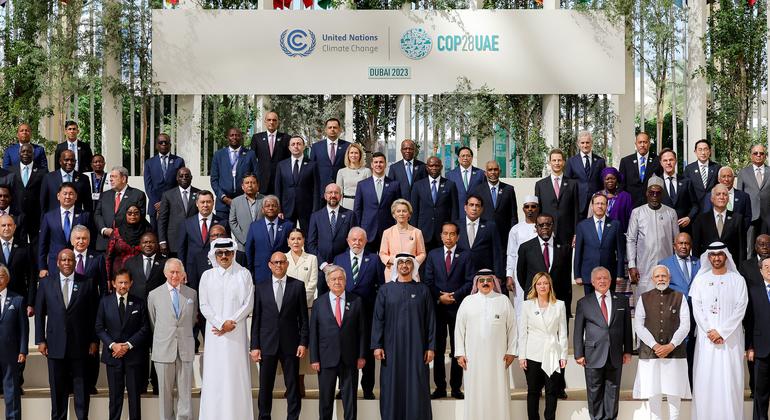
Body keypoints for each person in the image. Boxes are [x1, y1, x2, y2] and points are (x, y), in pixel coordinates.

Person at [35, 249, 99, 420]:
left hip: (80, 344)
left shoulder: (87, 283)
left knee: (81, 388)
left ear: (74, 262)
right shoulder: (46, 283)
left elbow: (93, 314)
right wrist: (40, 340)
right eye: (63, 260)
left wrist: (94, 340)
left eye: (70, 260)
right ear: (57, 262)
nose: (67, 263)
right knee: (57, 388)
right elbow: (40, 314)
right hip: (55, 344)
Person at [371, 253, 435, 420]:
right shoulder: (385, 290)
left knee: (417, 386)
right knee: (391, 386)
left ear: (413, 266)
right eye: (401, 263)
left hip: (417, 348)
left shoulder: (423, 290)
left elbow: (430, 321)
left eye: (408, 263)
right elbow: (378, 319)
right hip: (392, 349)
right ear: (396, 266)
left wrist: (431, 347)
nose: (404, 266)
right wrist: (377, 345)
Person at [689, 242, 748, 420]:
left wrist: (722, 332)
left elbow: (741, 308)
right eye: (713, 254)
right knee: (706, 380)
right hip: (707, 342)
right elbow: (697, 309)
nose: (716, 258)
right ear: (708, 257)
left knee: (730, 382)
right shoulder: (700, 280)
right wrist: (710, 331)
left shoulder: (738, 280)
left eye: (720, 254)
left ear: (726, 256)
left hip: (730, 341)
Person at [198, 239, 255, 420]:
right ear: (214, 255)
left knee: (235, 375)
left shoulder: (244, 274)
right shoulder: (207, 276)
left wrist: (231, 322)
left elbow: (248, 303)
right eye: (220, 253)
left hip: (236, 332)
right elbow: (204, 304)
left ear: (233, 254)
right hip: (215, 333)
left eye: (227, 253)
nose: (224, 256)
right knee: (215, 375)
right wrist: (220, 323)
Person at [250, 252, 309, 420]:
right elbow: (257, 319)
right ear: (269, 264)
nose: (278, 265)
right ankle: (264, 416)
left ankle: (293, 417)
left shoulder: (297, 286)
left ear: (287, 264)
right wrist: (254, 346)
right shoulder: (260, 287)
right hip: (267, 344)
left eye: (282, 262)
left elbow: (303, 318)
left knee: (292, 386)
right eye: (275, 262)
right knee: (265, 386)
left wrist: (303, 342)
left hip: (291, 344)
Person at [454, 269, 516, 420]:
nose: (485, 283)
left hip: (498, 358)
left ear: (494, 281)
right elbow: (459, 329)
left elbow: (513, 328)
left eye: (488, 280)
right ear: (477, 283)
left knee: (498, 391)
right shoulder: (468, 301)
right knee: (475, 392)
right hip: (472, 359)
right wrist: (460, 353)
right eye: (482, 281)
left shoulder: (503, 301)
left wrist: (511, 351)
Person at [632, 265, 691, 420]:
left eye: (663, 276)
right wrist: (655, 345)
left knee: (674, 393)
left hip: (675, 353)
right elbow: (639, 325)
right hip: (650, 353)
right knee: (654, 393)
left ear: (669, 278)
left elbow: (685, 325)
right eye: (657, 276)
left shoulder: (680, 297)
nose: (660, 279)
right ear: (652, 279)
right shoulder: (644, 298)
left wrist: (671, 345)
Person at [573, 266, 633, 420]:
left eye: (605, 278)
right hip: (593, 354)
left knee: (613, 391)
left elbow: (627, 327)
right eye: (598, 278)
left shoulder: (622, 300)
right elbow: (578, 331)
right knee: (594, 392)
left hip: (615, 353)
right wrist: (578, 353)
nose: (602, 281)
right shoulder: (584, 303)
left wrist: (628, 351)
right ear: (592, 282)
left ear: (610, 280)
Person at [423, 221, 473, 400]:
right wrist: (439, 297)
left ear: (458, 236)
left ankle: (456, 387)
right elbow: (427, 281)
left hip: (458, 308)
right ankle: (440, 386)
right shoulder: (433, 255)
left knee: (458, 348)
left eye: (452, 234)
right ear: (441, 235)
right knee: (437, 348)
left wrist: (454, 295)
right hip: (437, 309)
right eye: (445, 233)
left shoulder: (466, 255)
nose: (449, 237)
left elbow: (469, 281)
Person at [332, 227, 384, 399]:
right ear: (348, 240)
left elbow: (380, 287)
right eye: (353, 239)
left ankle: (368, 388)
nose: (357, 242)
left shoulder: (374, 259)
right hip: (345, 314)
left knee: (367, 351)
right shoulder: (338, 259)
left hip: (368, 314)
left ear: (366, 241)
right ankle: (344, 387)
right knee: (344, 350)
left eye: (360, 239)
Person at [309, 265, 366, 420]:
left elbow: (362, 331)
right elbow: (313, 333)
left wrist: (361, 355)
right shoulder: (318, 303)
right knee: (326, 400)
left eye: (340, 279)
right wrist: (314, 358)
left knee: (350, 400)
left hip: (350, 358)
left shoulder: (356, 301)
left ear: (345, 281)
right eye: (333, 279)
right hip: (326, 358)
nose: (337, 282)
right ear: (328, 283)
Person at [95, 269, 151, 420]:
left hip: (133, 357)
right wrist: (113, 345)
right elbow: (99, 328)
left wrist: (127, 345)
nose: (123, 285)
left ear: (131, 283)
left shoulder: (139, 302)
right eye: (120, 282)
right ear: (113, 283)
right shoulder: (104, 302)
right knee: (115, 397)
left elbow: (145, 328)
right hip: (113, 357)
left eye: (126, 282)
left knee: (134, 396)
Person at [148, 259, 197, 420]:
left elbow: (192, 320)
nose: (175, 275)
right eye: (172, 272)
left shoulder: (191, 294)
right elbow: (153, 321)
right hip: (163, 350)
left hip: (185, 348)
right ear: (165, 273)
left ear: (183, 274)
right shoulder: (154, 295)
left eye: (178, 272)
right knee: (165, 393)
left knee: (185, 393)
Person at [517, 272, 568, 420]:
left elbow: (563, 333)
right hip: (533, 354)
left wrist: (563, 355)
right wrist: (522, 356)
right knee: (533, 391)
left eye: (545, 283)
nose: (542, 286)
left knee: (552, 391)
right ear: (535, 286)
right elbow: (523, 333)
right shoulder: (527, 305)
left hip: (553, 353)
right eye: (539, 283)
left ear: (550, 285)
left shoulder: (559, 305)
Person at [122, 231, 165, 394]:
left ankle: (156, 384)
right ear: (140, 245)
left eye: (152, 242)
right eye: (145, 242)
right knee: (138, 350)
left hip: (158, 314)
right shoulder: (130, 263)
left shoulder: (164, 262)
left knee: (157, 349)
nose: (148, 245)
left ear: (156, 244)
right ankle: (139, 385)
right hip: (136, 313)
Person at [627, 175, 679, 301]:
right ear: (647, 193)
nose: (654, 195)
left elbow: (676, 240)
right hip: (644, 266)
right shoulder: (637, 212)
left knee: (666, 301)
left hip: (666, 265)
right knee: (644, 302)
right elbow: (631, 239)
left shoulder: (670, 212)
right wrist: (632, 265)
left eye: (658, 193)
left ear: (662, 194)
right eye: (652, 192)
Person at [658, 232, 700, 385]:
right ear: (674, 245)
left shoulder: (699, 263)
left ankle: (691, 384)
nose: (684, 246)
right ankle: (674, 385)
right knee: (677, 348)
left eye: (687, 243)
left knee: (694, 349)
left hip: (696, 314)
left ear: (691, 245)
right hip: (674, 315)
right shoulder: (664, 263)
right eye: (680, 243)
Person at [517, 213, 572, 315]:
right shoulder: (525, 248)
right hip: (534, 299)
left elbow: (566, 278)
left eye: (548, 224)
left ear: (553, 226)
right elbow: (521, 275)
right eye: (541, 225)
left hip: (557, 299)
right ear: (536, 227)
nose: (545, 227)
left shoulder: (564, 247)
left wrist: (567, 303)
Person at [285, 227, 318, 396]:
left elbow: (312, 284)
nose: (296, 242)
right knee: (289, 346)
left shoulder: (311, 259)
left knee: (303, 347)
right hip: (287, 312)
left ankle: (300, 383)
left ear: (304, 240)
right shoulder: (283, 259)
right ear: (288, 241)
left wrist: (298, 302)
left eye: (299, 238)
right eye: (293, 239)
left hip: (306, 308)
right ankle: (290, 385)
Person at [307, 183, 358, 287]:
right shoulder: (316, 216)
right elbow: (311, 244)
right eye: (330, 192)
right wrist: (323, 265)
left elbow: (353, 243)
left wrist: (341, 262)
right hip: (322, 268)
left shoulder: (350, 215)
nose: (333, 195)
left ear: (341, 196)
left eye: (336, 193)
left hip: (343, 267)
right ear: (325, 196)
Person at [574, 193, 625, 295]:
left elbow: (620, 252)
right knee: (590, 305)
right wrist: (577, 275)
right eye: (597, 203)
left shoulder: (615, 225)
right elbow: (578, 252)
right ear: (592, 206)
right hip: (588, 274)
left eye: (602, 203)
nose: (600, 206)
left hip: (609, 274)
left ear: (607, 206)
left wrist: (620, 274)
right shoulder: (582, 226)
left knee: (609, 304)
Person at [38, 182, 93, 276]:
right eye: (65, 193)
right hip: (55, 263)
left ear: (76, 197)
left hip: (77, 263)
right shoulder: (49, 216)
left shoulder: (85, 216)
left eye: (71, 194)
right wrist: (42, 267)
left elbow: (91, 241)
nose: (68, 196)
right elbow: (43, 243)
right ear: (58, 196)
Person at [740, 234, 770, 397]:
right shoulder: (746, 266)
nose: (764, 246)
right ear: (755, 246)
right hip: (754, 320)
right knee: (757, 368)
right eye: (761, 244)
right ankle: (754, 389)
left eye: (767, 244)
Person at [354, 151, 401, 252]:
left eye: (381, 162)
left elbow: (398, 209)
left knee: (386, 263)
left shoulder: (394, 185)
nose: (378, 165)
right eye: (376, 162)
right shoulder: (362, 185)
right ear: (371, 165)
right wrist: (359, 228)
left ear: (385, 164)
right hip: (367, 230)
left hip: (388, 230)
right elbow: (358, 209)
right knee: (368, 263)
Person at [209, 127, 259, 222]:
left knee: (243, 234)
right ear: (227, 137)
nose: (234, 137)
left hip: (244, 201)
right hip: (223, 204)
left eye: (237, 135)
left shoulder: (250, 154)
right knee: (223, 233)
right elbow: (214, 180)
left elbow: (256, 177)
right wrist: (223, 197)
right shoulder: (218, 155)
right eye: (232, 135)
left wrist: (249, 196)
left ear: (241, 137)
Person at [411, 156, 459, 250]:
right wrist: (414, 231)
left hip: (444, 233)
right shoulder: (418, 185)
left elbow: (454, 210)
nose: (434, 168)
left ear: (441, 167)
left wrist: (453, 230)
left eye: (437, 165)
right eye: (431, 165)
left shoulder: (450, 185)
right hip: (423, 232)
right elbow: (414, 211)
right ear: (427, 167)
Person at [535, 148, 579, 249]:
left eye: (559, 160)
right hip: (546, 231)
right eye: (554, 160)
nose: (557, 163)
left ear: (563, 162)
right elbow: (538, 210)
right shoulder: (540, 185)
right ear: (550, 162)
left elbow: (576, 210)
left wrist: (576, 233)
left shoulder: (573, 184)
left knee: (566, 263)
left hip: (567, 233)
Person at [94, 166, 147, 251]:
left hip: (127, 243)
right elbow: (97, 214)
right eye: (110, 177)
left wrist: (119, 234)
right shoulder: (104, 195)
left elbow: (139, 219)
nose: (111, 179)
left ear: (123, 179)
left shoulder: (138, 195)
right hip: (105, 242)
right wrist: (104, 229)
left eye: (114, 177)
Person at [0, 263, 28, 420]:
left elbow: (24, 329)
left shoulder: (18, 300)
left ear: (7, 279)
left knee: (11, 392)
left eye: (1, 276)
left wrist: (23, 351)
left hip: (10, 352)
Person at [456, 194, 504, 283]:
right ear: (465, 207)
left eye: (477, 205)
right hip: (461, 274)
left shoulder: (490, 226)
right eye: (471, 205)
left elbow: (497, 252)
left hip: (484, 274)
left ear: (482, 209)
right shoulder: (456, 225)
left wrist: (498, 275)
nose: (474, 208)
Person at [692, 183, 746, 262]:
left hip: (731, 265)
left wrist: (741, 269)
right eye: (718, 194)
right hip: (708, 265)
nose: (722, 197)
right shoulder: (701, 219)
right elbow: (696, 246)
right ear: (712, 199)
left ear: (728, 199)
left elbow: (742, 248)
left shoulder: (737, 218)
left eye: (724, 194)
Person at [245, 195, 294, 283]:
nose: (270, 208)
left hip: (282, 270)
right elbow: (249, 249)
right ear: (262, 209)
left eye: (274, 205)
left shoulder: (288, 225)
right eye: (267, 206)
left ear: (278, 209)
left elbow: (291, 249)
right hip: (260, 271)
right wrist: (250, 270)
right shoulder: (254, 226)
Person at [275, 135, 319, 230]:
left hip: (307, 208)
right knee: (286, 236)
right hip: (287, 209)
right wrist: (279, 210)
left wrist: (315, 210)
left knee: (308, 237)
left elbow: (316, 189)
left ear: (303, 146)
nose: (296, 146)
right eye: (293, 144)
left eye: (299, 144)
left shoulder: (312, 165)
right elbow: (278, 189)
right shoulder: (281, 165)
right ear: (289, 147)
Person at [471, 160, 518, 250]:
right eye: (490, 170)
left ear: (500, 171)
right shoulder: (478, 190)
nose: (493, 172)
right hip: (484, 234)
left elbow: (513, 215)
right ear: (485, 173)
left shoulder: (509, 190)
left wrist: (513, 233)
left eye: (495, 169)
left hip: (504, 235)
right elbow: (475, 213)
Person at [745, 256, 770, 420]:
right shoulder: (753, 291)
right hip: (761, 349)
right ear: (761, 271)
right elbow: (749, 321)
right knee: (760, 393)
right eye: (766, 266)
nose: (769, 269)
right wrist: (750, 346)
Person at [506, 195, 540, 317]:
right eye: (527, 206)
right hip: (520, 273)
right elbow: (511, 254)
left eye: (533, 206)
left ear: (538, 208)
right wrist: (509, 275)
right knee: (520, 307)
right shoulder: (516, 229)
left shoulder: (543, 228)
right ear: (523, 209)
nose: (530, 209)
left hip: (539, 274)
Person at [9, 143, 47, 251]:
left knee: (36, 248)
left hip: (36, 216)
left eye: (29, 152)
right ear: (19, 153)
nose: (26, 154)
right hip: (17, 216)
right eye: (23, 151)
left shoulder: (42, 172)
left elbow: (44, 195)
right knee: (18, 247)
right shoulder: (11, 171)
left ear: (33, 154)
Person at [144, 133, 185, 228]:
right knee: (155, 237)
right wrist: (157, 204)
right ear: (156, 145)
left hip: (173, 206)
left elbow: (181, 184)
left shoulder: (179, 161)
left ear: (170, 145)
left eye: (166, 142)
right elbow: (148, 186)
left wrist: (165, 202)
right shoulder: (149, 163)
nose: (163, 144)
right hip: (155, 207)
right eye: (160, 142)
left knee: (172, 237)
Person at [379, 198, 427, 280]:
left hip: (411, 272)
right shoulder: (387, 232)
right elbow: (382, 253)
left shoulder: (417, 232)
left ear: (409, 214)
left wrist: (411, 262)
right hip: (392, 272)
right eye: (398, 211)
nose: (401, 214)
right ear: (394, 215)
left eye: (404, 211)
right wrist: (394, 261)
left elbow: (422, 253)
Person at [157, 167, 199, 257]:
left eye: (187, 176)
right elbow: (162, 219)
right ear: (177, 178)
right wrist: (162, 241)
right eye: (181, 176)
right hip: (173, 241)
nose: (184, 178)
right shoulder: (168, 195)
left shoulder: (199, 193)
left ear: (191, 178)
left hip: (194, 240)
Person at [565, 130, 607, 218]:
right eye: (582, 143)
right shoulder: (571, 161)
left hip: (596, 203)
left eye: (587, 142)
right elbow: (567, 184)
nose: (585, 145)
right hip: (578, 203)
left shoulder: (600, 161)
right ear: (578, 144)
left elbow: (603, 183)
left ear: (591, 143)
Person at [106, 205, 151, 280]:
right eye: (129, 213)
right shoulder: (117, 232)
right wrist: (107, 279)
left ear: (141, 215)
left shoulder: (147, 232)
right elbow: (108, 257)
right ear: (125, 215)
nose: (133, 216)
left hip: (141, 276)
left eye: (136, 213)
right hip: (119, 275)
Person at [658, 148, 699, 232]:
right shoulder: (657, 183)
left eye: (671, 160)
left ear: (675, 161)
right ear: (661, 163)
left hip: (684, 229)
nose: (668, 163)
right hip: (662, 229)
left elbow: (695, 205)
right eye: (665, 160)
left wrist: (689, 217)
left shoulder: (686, 182)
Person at [251, 111, 291, 195]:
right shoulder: (256, 138)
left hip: (280, 181)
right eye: (269, 120)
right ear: (265, 122)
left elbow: (289, 161)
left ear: (278, 122)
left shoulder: (286, 138)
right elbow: (252, 161)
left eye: (274, 120)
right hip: (262, 182)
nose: (271, 122)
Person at [178, 190, 221, 268]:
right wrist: (182, 269)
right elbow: (181, 249)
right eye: (202, 202)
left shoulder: (222, 223)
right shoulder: (187, 223)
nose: (205, 205)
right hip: (192, 267)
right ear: (197, 203)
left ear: (213, 203)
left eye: (208, 202)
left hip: (214, 267)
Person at [618, 131, 662, 206]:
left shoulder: (657, 160)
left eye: (645, 142)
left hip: (651, 204)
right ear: (636, 144)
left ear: (649, 144)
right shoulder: (625, 161)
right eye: (640, 142)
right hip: (631, 204)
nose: (642, 145)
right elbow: (621, 185)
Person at [737, 144, 770, 241]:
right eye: (755, 153)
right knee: (750, 250)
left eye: (761, 153)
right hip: (750, 217)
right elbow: (740, 197)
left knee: (767, 247)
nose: (758, 155)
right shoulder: (743, 173)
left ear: (765, 156)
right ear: (751, 156)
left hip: (767, 218)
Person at [309, 118, 350, 191]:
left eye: (335, 127)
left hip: (341, 188)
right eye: (330, 127)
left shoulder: (347, 146)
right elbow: (312, 168)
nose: (332, 129)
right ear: (325, 130)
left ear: (339, 129)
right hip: (321, 188)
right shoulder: (316, 147)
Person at [592, 167, 635, 235]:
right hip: (600, 234)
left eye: (613, 178)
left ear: (617, 179)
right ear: (603, 180)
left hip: (619, 234)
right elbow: (590, 216)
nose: (610, 181)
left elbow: (631, 218)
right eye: (607, 179)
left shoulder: (626, 196)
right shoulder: (597, 195)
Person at [445, 146, 485, 219]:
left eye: (468, 156)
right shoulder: (450, 175)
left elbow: (484, 195)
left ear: (472, 158)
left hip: (476, 214)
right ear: (458, 158)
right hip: (457, 214)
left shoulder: (481, 174)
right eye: (463, 156)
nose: (465, 158)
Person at [228, 172, 265, 250]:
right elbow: (232, 221)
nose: (250, 185)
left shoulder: (265, 200)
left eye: (253, 183)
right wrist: (245, 240)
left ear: (258, 186)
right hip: (242, 245)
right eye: (247, 183)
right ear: (242, 186)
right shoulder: (235, 202)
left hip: (262, 243)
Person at [387, 139, 427, 204]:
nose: (407, 151)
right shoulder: (394, 168)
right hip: (401, 206)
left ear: (414, 150)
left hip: (419, 205)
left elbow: (426, 187)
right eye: (405, 149)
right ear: (401, 150)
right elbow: (391, 190)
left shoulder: (422, 166)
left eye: (410, 149)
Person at [684, 139, 721, 207]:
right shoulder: (689, 169)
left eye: (705, 149)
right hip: (695, 208)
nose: (703, 153)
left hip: (713, 207)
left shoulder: (717, 168)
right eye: (700, 149)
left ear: (709, 151)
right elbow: (686, 190)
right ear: (695, 152)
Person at [336, 142, 371, 209]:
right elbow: (339, 192)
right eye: (351, 153)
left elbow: (369, 193)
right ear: (348, 155)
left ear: (360, 155)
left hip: (361, 204)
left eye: (356, 153)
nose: (353, 155)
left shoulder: (366, 171)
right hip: (346, 204)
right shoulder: (341, 172)